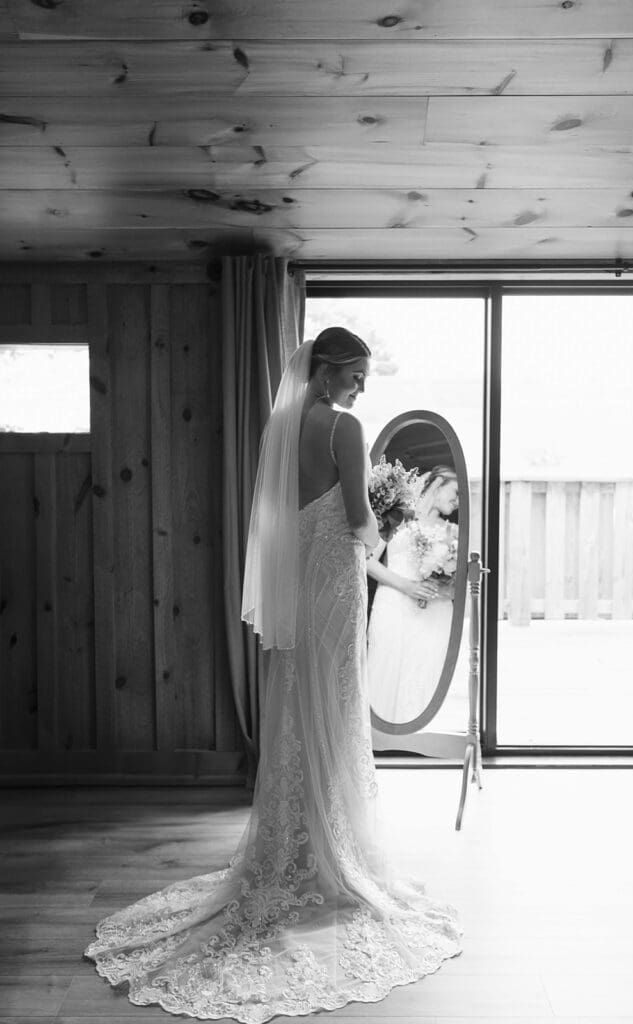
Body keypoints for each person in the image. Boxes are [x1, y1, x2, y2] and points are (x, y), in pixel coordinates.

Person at [84, 328, 463, 1021]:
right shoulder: (343, 427)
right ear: (324, 372)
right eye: (354, 375)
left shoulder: (282, 425)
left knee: (301, 703)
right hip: (337, 586)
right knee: (338, 703)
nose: (359, 388)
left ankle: (289, 843)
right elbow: (354, 519)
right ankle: (329, 849)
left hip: (300, 586)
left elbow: (283, 518)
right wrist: (388, 522)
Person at [367, 467, 459, 724]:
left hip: (435, 612)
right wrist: (407, 587)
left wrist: (439, 587)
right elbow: (367, 561)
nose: (458, 500)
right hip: (393, 604)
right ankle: (383, 734)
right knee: (387, 665)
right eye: (456, 492)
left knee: (427, 668)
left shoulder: (453, 532)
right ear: (438, 485)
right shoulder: (397, 518)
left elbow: (455, 585)